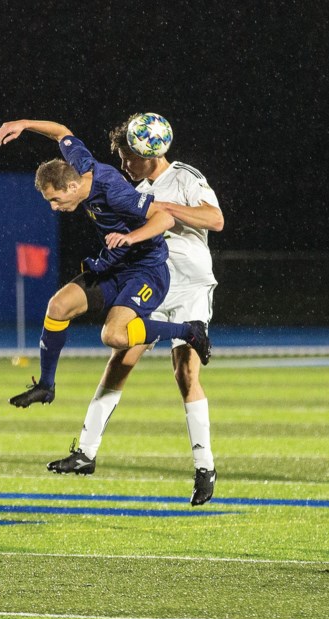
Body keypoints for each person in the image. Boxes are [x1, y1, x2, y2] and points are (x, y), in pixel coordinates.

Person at [45, 115, 223, 506]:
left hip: (190, 285)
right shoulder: (129, 186)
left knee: (185, 371)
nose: (124, 163)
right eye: (121, 155)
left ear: (151, 153)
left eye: (129, 156)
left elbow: (215, 219)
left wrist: (165, 209)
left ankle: (204, 466)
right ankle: (86, 452)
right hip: (152, 280)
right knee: (119, 357)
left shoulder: (184, 176)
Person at [0, 118, 213, 409]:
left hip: (145, 268)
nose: (54, 207)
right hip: (115, 265)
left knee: (114, 335)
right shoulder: (80, 165)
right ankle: (46, 386)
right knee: (58, 307)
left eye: (56, 200)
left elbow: (165, 217)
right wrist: (24, 124)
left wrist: (131, 237)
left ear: (72, 186)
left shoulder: (115, 192)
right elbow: (62, 133)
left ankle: (189, 331)